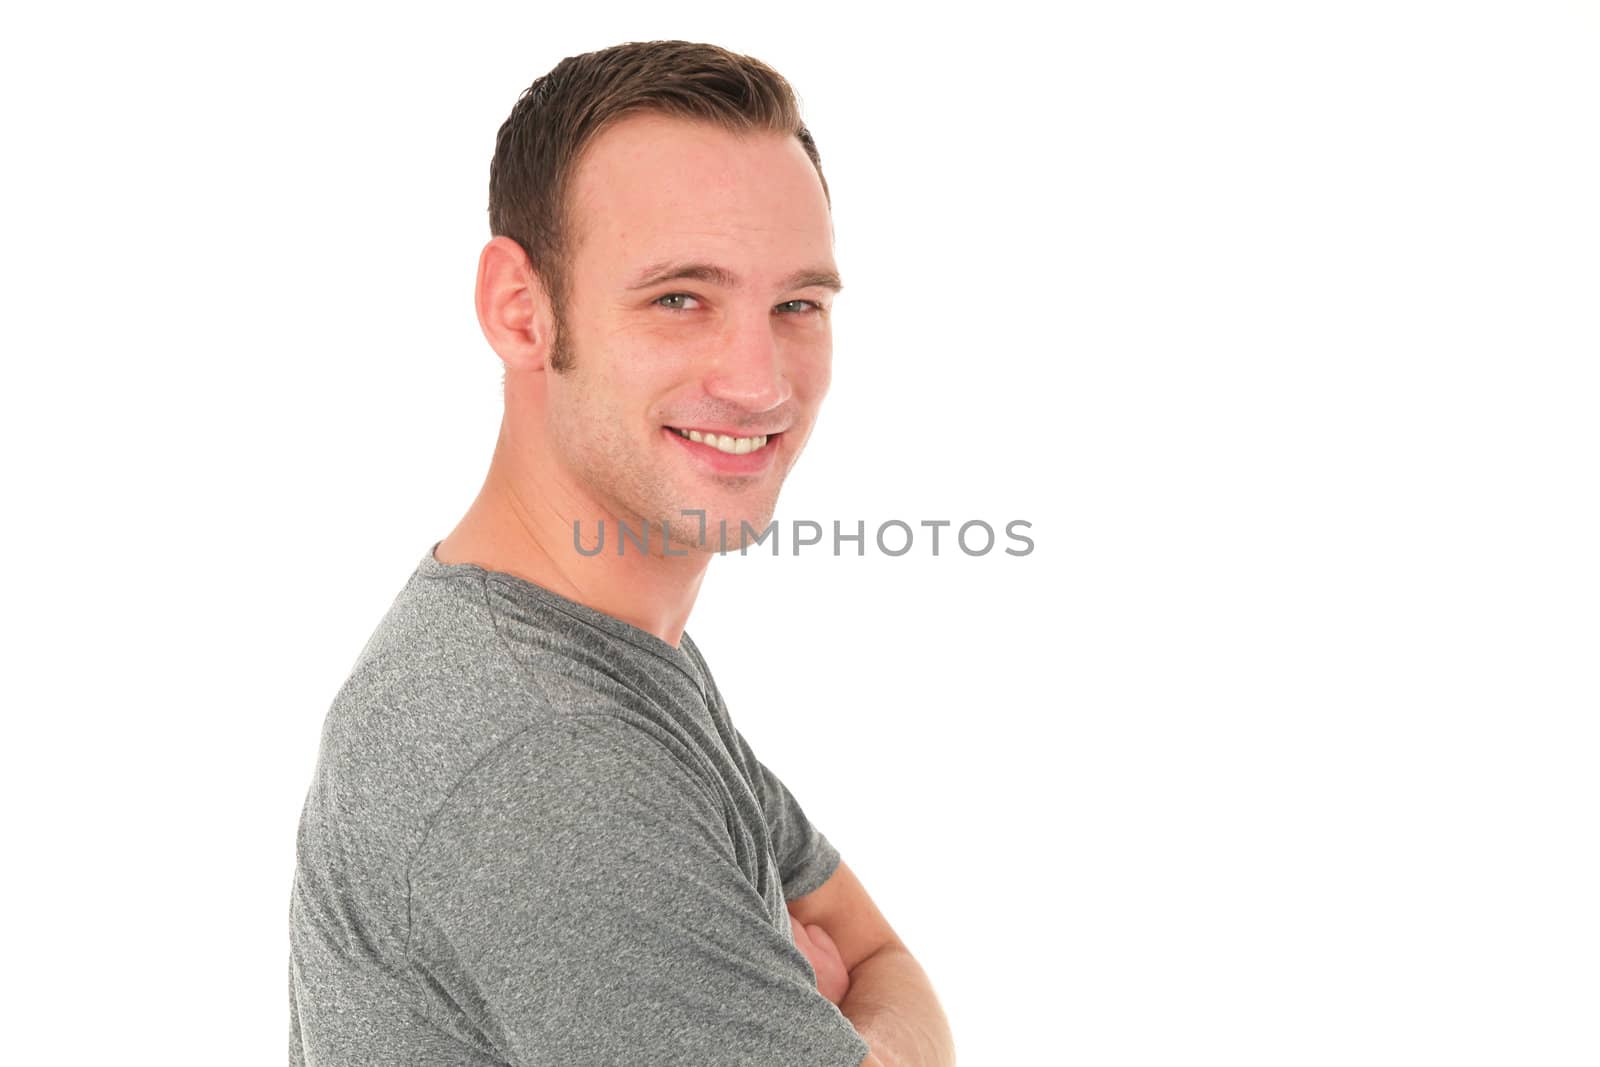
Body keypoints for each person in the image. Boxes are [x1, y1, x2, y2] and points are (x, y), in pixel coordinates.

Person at [287, 40, 955, 1066]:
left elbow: (873, 948)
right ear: (521, 310)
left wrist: (842, 1004)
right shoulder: (547, 754)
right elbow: (872, 969)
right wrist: (814, 990)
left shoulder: (615, 652)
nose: (758, 380)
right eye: (679, 297)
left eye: (797, 305)